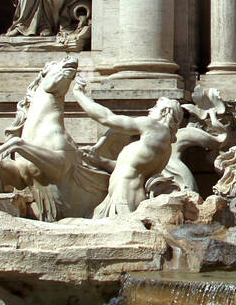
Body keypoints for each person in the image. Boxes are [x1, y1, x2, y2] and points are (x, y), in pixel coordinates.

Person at [71, 90, 181, 218]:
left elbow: (107, 118)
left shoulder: (153, 126)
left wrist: (79, 94)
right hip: (120, 197)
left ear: (165, 112)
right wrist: (98, 160)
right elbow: (127, 168)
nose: (150, 109)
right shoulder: (166, 147)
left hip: (124, 199)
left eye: (156, 106)